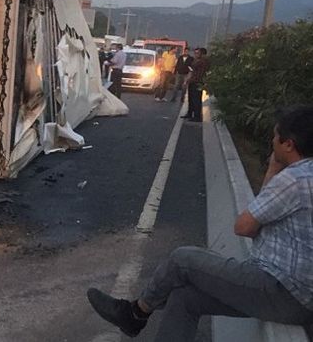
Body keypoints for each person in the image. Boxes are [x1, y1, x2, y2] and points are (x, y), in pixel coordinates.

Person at [87, 105, 313, 341]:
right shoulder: (304, 175)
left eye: (276, 137)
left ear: (289, 144)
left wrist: (274, 170)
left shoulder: (293, 179)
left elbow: (244, 227)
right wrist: (274, 167)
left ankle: (135, 313)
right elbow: (263, 211)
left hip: (281, 291)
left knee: (182, 259)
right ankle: (136, 315)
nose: (272, 141)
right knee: (185, 298)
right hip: (294, 295)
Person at [181, 48, 208, 122]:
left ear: (201, 54)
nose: (195, 54)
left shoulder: (202, 61)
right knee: (191, 99)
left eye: (197, 53)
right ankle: (190, 113)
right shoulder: (196, 60)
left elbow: (193, 69)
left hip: (197, 82)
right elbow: (191, 70)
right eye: (195, 53)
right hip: (192, 81)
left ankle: (197, 116)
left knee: (196, 100)